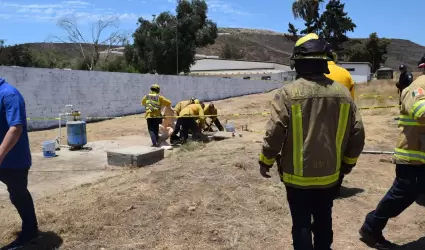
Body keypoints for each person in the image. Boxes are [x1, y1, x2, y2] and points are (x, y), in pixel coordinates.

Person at [258, 33, 365, 250]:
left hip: (297, 179)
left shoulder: (287, 94)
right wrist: (348, 163)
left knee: (301, 225)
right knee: (324, 221)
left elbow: (275, 132)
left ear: (299, 63)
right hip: (330, 177)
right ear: (324, 63)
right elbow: (358, 133)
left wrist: (265, 160)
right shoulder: (343, 94)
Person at [359, 55, 425, 249]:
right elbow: (421, 113)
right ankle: (371, 227)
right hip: (413, 157)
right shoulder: (418, 87)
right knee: (400, 196)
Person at [0, 78, 39, 249]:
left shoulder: (9, 94)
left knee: (18, 194)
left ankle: (30, 231)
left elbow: (16, 128)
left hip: (15, 160)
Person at [324, 48, 356, 199]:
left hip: (318, 120)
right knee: (339, 152)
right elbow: (352, 103)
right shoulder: (345, 74)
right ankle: (335, 185)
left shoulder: (314, 72)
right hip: (341, 120)